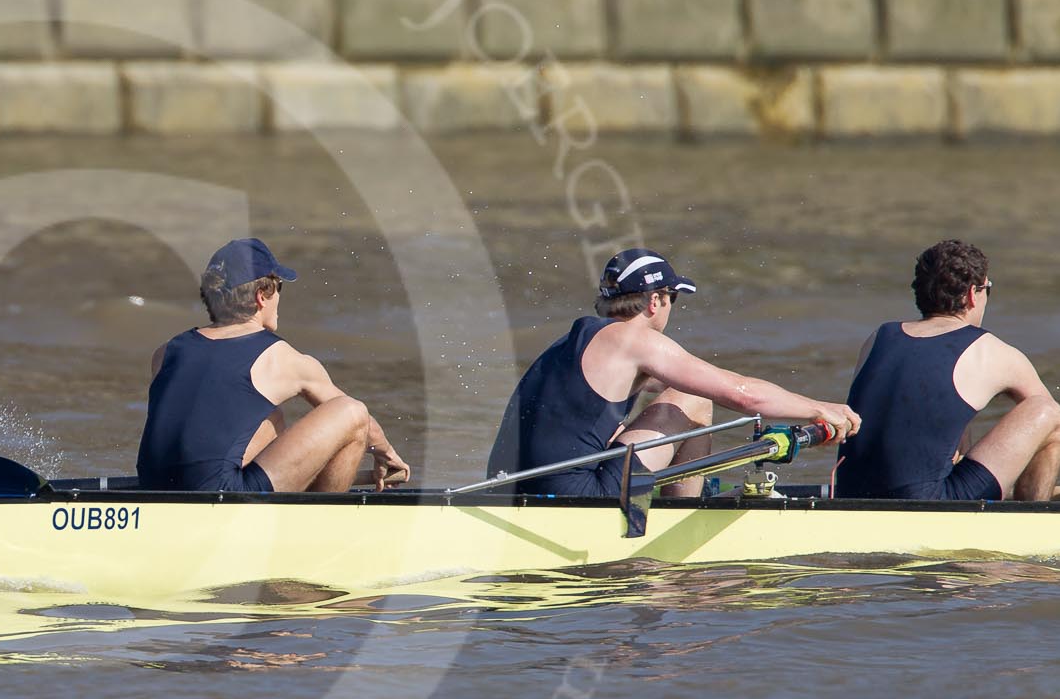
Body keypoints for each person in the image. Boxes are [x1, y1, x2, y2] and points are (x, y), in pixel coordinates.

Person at [489, 248, 861, 498]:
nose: (671, 310)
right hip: (578, 497)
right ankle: (683, 512)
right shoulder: (638, 341)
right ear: (655, 301)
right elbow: (742, 395)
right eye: (674, 300)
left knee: (676, 398)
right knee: (695, 399)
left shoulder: (574, 341)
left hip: (508, 491)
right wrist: (819, 409)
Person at [136, 238, 410, 494]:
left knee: (271, 418)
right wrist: (387, 455)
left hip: (152, 488)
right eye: (279, 286)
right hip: (221, 495)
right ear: (261, 296)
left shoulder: (166, 352)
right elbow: (364, 425)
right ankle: (323, 521)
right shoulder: (282, 358)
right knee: (353, 413)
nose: (280, 296)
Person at [835, 240, 1060, 502]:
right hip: (928, 499)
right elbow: (1050, 427)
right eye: (988, 288)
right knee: (1048, 412)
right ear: (971, 295)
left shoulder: (879, 337)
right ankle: (1032, 520)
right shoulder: (990, 350)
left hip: (849, 495)